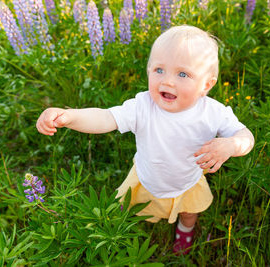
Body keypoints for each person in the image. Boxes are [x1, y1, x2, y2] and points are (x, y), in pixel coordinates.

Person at [36, 25, 255, 255]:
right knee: (126, 208)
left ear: (206, 85)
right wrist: (70, 116)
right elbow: (106, 117)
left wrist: (231, 145)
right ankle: (118, 235)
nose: (167, 81)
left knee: (190, 212)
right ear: (149, 70)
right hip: (146, 178)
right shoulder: (143, 106)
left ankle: (184, 231)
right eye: (159, 70)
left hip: (187, 182)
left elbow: (246, 136)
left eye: (183, 74)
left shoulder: (213, 113)